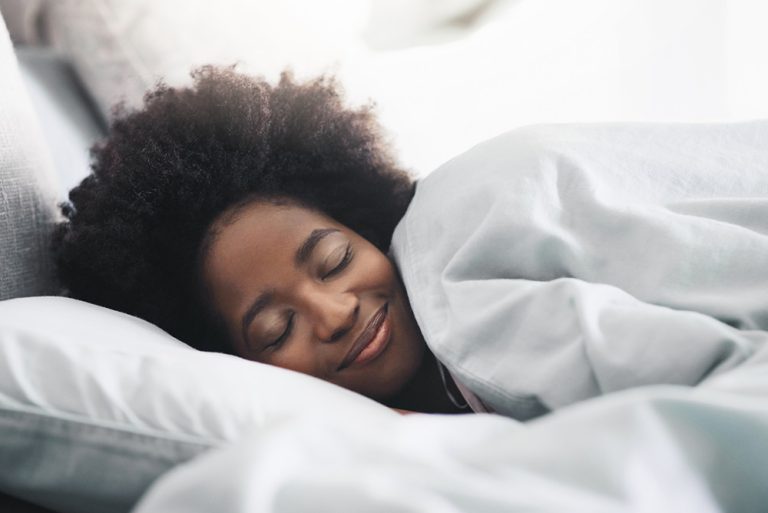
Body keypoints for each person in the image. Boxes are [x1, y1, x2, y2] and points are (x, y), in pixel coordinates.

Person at [53, 66, 768, 419]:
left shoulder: (453, 260)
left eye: (333, 260)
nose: (332, 312)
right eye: (276, 330)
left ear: (366, 219)